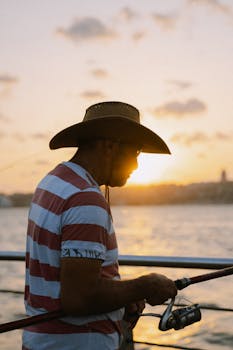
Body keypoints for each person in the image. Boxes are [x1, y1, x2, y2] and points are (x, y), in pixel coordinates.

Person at [23, 101, 177, 350]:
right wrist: (145, 285)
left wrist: (124, 295)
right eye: (135, 152)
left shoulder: (51, 183)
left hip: (42, 342)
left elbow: (67, 279)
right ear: (109, 146)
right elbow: (79, 298)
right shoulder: (85, 198)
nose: (137, 166)